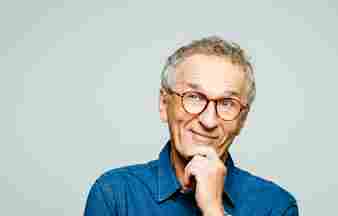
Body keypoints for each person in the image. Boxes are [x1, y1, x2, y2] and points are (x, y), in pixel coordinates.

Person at [84, 36, 298, 216]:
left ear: (242, 119)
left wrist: (214, 210)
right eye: (194, 97)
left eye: (226, 103)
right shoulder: (116, 195)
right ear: (164, 103)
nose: (209, 121)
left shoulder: (276, 207)